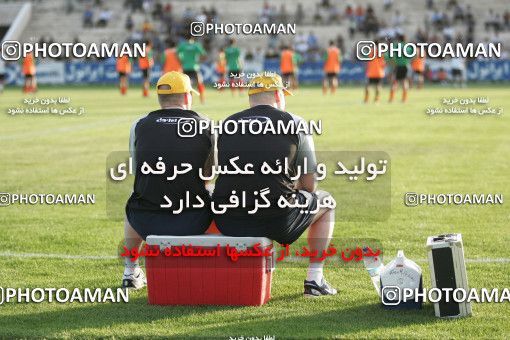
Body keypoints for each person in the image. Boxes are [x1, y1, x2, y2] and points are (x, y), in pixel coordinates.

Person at [212, 73, 337, 297]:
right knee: (327, 201)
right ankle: (314, 279)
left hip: (228, 220)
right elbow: (310, 185)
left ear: (251, 97)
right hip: (276, 219)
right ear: (279, 95)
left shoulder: (227, 123)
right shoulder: (295, 122)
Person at [122, 71, 214, 289]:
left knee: (133, 197)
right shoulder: (206, 125)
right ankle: (205, 264)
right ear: (186, 97)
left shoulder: (139, 125)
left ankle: (130, 269)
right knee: (217, 193)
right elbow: (207, 177)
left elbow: (140, 173)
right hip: (194, 218)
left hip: (146, 219)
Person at [177, 37, 206, 103]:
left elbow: (177, 54)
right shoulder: (196, 45)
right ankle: (202, 99)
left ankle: (189, 100)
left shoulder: (183, 45)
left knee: (187, 85)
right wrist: (199, 61)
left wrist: (182, 61)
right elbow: (203, 54)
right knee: (200, 83)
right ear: (193, 37)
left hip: (185, 67)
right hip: (194, 67)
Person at [386, 34, 412, 102]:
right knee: (404, 82)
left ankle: (391, 99)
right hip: (405, 66)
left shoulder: (396, 46)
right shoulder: (408, 47)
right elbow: (414, 55)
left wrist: (393, 63)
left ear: (398, 39)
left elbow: (389, 56)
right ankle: (404, 99)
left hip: (398, 66)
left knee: (394, 82)